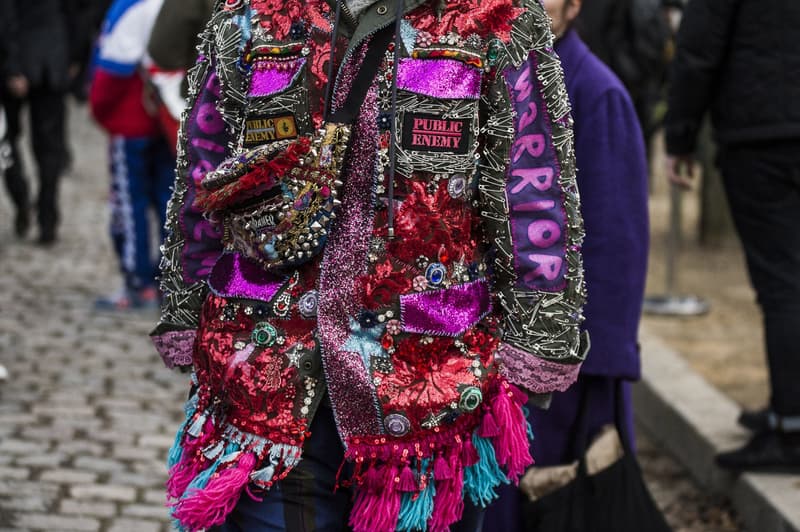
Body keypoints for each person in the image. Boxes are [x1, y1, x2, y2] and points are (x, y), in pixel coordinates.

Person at [152, 0, 589, 531]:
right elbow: (202, 170)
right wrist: (187, 309)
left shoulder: (496, 19)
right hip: (265, 370)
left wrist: (538, 344)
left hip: (429, 385)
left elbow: (533, 191)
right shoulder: (252, 14)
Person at [484, 0, 650, 528]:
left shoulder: (597, 93)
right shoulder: (498, 78)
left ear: (573, 8)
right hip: (500, 344)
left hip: (568, 360)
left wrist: (599, 365)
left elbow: (619, 239)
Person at [665, 0, 800, 471]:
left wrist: (679, 136)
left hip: (763, 134)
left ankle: (791, 429)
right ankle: (789, 408)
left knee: (783, 286)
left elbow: (699, 47)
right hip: (769, 124)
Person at [89, 0, 174, 310]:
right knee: (168, 201)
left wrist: (101, 112)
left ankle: (138, 283)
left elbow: (112, 69)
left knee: (129, 205)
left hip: (131, 120)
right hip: (168, 119)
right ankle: (167, 280)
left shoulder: (131, 6)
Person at [0, 0, 80, 244]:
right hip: (51, 60)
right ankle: (39, 212)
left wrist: (13, 68)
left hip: (32, 61)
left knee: (15, 141)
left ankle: (37, 210)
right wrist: (73, 58)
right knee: (36, 144)